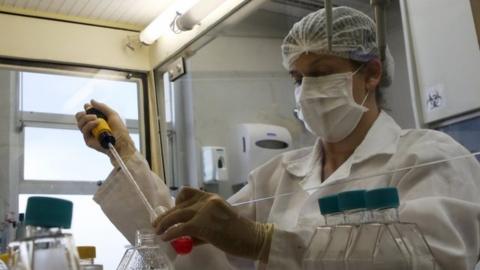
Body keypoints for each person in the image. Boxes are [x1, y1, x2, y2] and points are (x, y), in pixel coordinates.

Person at [76, 6, 480, 270]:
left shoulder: (431, 156)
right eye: (298, 78)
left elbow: (436, 258)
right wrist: (125, 154)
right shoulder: (277, 175)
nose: (306, 90)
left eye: (320, 73)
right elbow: (185, 248)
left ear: (371, 74)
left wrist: (264, 241)